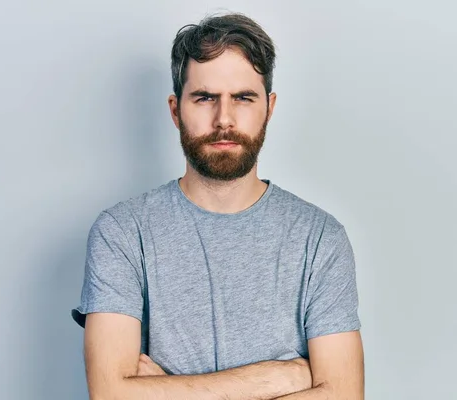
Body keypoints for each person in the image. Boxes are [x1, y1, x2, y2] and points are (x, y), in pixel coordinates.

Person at [72, 11, 364, 400]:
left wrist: (161, 391)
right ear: (176, 110)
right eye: (205, 97)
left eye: (243, 98)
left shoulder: (320, 238)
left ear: (269, 108)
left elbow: (344, 396)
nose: (224, 118)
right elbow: (110, 395)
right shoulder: (122, 232)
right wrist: (280, 378)